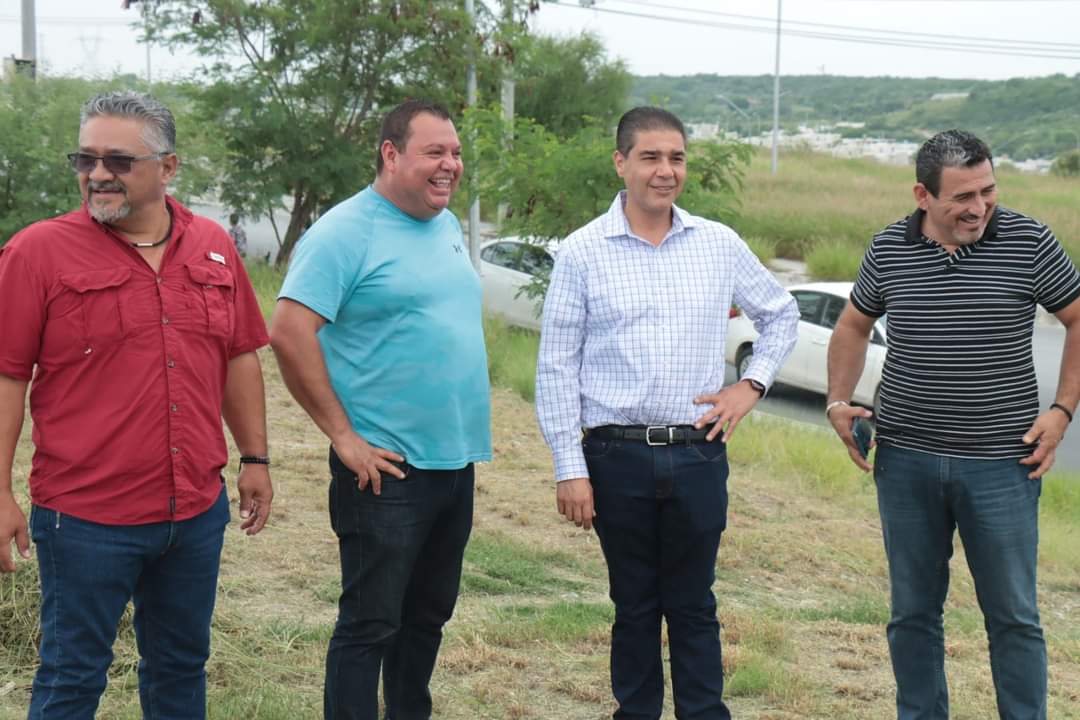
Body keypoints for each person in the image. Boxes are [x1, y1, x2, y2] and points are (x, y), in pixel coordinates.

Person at [0, 90, 273, 718]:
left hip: (195, 512)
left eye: (119, 161)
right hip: (86, 520)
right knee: (72, 678)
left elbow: (238, 354)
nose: (98, 174)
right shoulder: (37, 253)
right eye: (86, 159)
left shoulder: (212, 246)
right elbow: (8, 376)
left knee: (180, 669)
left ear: (168, 168)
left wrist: (255, 456)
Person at [535, 106, 799, 720]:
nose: (665, 170)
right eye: (651, 157)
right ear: (621, 162)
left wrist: (750, 385)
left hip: (697, 450)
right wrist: (568, 467)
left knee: (693, 604)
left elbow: (781, 316)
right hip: (613, 453)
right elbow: (556, 366)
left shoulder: (718, 244)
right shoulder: (581, 252)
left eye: (676, 157)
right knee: (633, 604)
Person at [826, 129, 1079, 720]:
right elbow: (852, 326)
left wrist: (1062, 410)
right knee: (912, 613)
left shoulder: (1029, 241)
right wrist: (839, 402)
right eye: (963, 197)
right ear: (923, 195)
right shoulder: (888, 248)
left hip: (1003, 464)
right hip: (905, 461)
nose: (979, 207)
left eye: (988, 190)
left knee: (1013, 616)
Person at [269, 99, 491, 720]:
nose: (449, 165)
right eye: (433, 153)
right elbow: (289, 331)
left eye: (454, 152)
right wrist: (343, 436)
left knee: (426, 619)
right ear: (391, 155)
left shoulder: (441, 222)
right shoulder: (345, 231)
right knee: (370, 625)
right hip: (385, 468)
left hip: (453, 460)